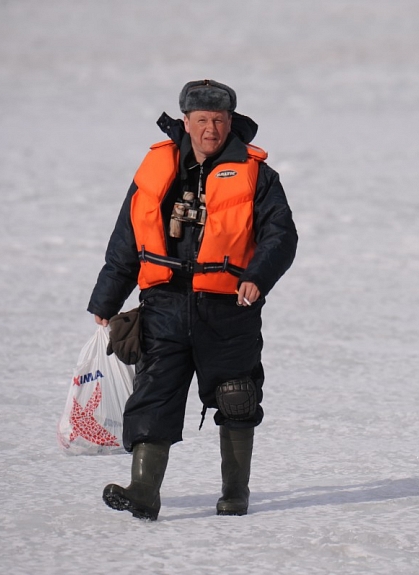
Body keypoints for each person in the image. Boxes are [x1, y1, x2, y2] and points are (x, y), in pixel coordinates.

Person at [87, 79, 298, 520]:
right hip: (163, 305)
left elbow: (281, 235)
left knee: (237, 397)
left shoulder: (257, 174)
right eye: (201, 120)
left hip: (228, 308)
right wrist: (106, 299)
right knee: (154, 393)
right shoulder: (156, 168)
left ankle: (235, 494)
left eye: (219, 121)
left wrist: (258, 277)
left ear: (230, 122)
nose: (210, 129)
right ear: (186, 121)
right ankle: (144, 490)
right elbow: (126, 239)